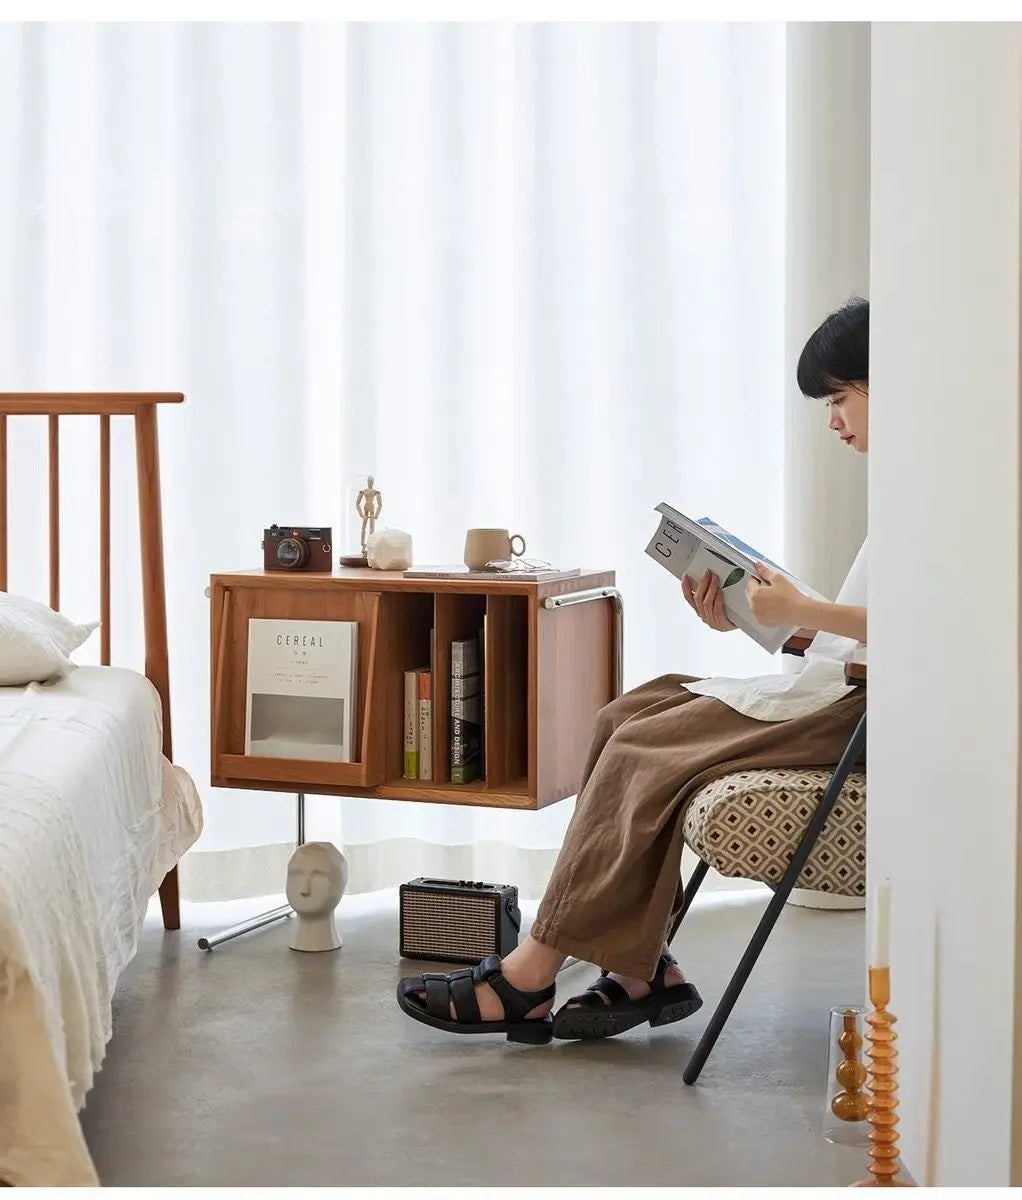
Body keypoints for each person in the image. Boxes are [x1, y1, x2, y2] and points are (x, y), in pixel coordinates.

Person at [396, 297, 870, 1045]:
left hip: (861, 713)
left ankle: (530, 974)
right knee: (627, 714)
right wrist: (758, 615)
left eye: (840, 399)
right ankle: (648, 973)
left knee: (645, 748)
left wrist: (804, 605)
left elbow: (932, 635)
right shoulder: (909, 493)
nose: (834, 421)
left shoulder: (942, 498)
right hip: (839, 689)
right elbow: (855, 636)